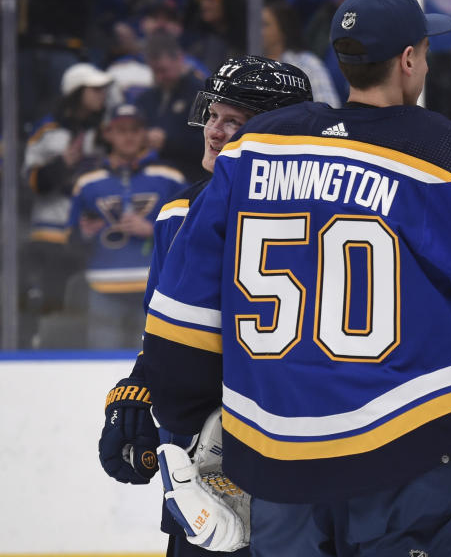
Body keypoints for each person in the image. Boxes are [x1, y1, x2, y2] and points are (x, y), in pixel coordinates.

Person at [140, 0, 451, 555]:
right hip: (410, 459)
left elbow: (180, 321)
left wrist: (188, 421)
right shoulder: (445, 155)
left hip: (278, 467)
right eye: (424, 50)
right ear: (408, 61)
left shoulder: (253, 152)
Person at [97, 56, 314, 557]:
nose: (213, 132)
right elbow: (163, 337)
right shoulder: (178, 213)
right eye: (212, 115)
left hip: (293, 466)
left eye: (232, 121)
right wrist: (136, 386)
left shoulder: (317, 214)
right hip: (200, 472)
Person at [69, 103, 185, 348]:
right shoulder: (87, 182)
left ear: (145, 132)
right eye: (121, 130)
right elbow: (71, 239)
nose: (129, 136)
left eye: (135, 129)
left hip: (155, 287)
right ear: (107, 133)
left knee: (149, 365)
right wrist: (84, 234)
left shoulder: (169, 176)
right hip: (103, 286)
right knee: (101, 365)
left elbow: (191, 229)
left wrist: (152, 229)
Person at [21, 62, 113, 344]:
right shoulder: (48, 131)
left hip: (91, 235)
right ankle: (40, 344)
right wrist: (64, 164)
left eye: (103, 90)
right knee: (52, 301)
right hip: (52, 231)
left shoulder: (106, 132)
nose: (101, 95)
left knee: (84, 305)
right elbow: (31, 183)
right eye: (94, 89)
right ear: (76, 92)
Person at [135, 31, 208, 183]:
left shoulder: (200, 95)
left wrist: (168, 142)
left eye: (163, 70)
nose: (159, 77)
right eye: (155, 71)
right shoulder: (146, 99)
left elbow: (207, 143)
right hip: (150, 179)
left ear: (179, 59)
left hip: (189, 179)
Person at [261, 0, 341, 106]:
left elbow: (329, 109)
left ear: (282, 29)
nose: (257, 30)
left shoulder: (307, 64)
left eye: (264, 25)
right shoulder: (249, 65)